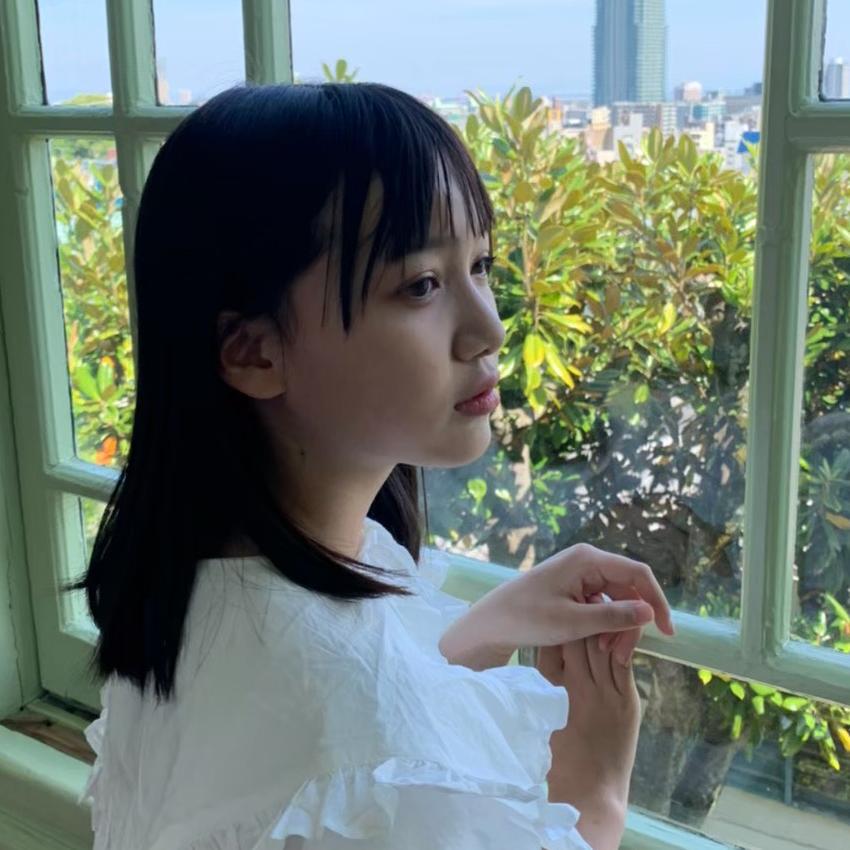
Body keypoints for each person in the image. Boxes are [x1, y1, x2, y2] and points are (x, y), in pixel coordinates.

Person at [66, 81, 675, 850]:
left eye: (480, 264)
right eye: (421, 285)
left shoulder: (193, 589)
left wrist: (487, 628)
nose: (488, 327)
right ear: (253, 351)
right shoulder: (363, 748)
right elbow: (354, 735)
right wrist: (594, 796)